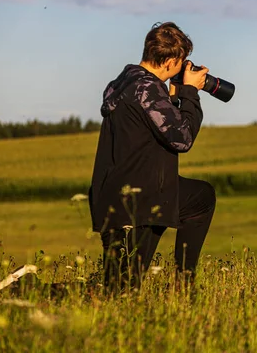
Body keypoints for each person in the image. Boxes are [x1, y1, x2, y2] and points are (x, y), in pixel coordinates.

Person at [88, 22, 216, 294]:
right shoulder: (148, 89)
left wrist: (174, 95)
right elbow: (182, 138)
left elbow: (151, 123)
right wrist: (190, 93)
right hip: (144, 201)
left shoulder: (122, 83)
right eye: (179, 63)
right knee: (120, 291)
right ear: (170, 61)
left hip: (111, 197)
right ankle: (184, 283)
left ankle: (185, 284)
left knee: (200, 197)